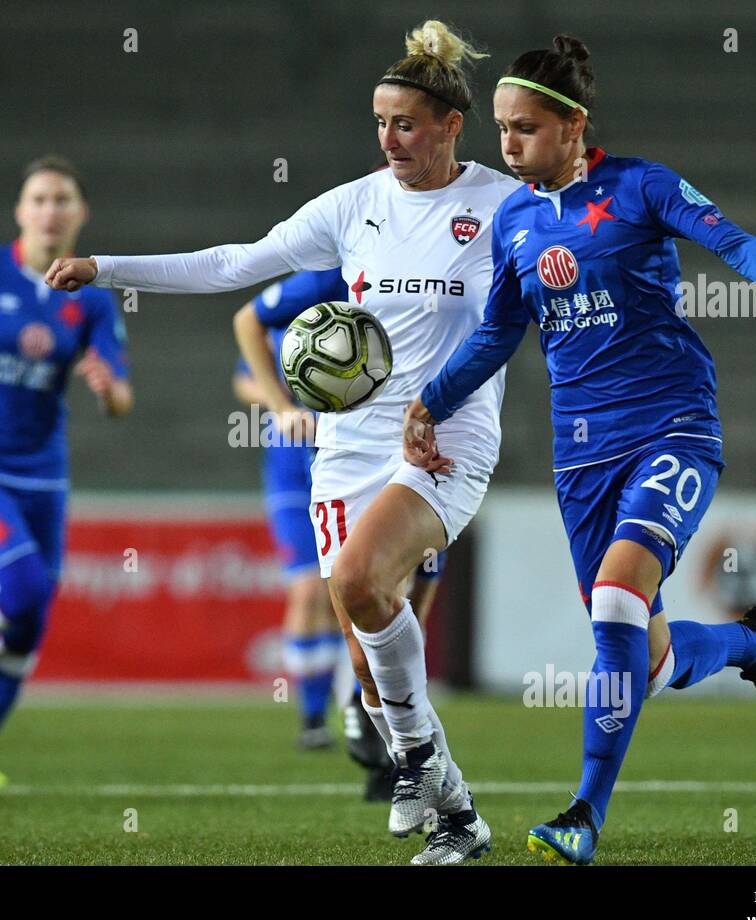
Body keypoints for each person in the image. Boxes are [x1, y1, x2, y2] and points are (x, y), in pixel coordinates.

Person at [46, 20, 521, 865]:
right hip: (346, 444)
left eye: (406, 123)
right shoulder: (355, 205)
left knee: (355, 579)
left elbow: (555, 281)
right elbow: (237, 263)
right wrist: (107, 267)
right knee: (366, 635)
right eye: (379, 122)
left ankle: (416, 764)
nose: (389, 139)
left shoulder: (500, 204)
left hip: (443, 441)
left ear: (452, 125)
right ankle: (452, 804)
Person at [403, 35, 756, 865]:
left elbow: (733, 241)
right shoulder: (515, 221)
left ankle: (582, 816)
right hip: (582, 458)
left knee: (614, 602)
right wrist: (432, 399)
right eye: (501, 129)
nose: (507, 145)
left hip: (673, 425)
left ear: (574, 126)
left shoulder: (641, 185)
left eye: (525, 128)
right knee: (645, 656)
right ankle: (753, 642)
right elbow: (500, 332)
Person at [0, 156, 133, 788]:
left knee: (31, 623)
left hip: (44, 469)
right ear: (20, 210)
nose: (50, 210)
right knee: (26, 587)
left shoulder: (89, 299)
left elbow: (121, 398)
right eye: (38, 198)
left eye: (63, 199)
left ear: (80, 213)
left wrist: (105, 388)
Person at [233, 268, 451, 801]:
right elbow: (244, 364)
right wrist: (284, 407)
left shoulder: (423, 285)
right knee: (317, 589)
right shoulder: (318, 285)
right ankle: (317, 717)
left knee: (402, 609)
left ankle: (374, 725)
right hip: (297, 465)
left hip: (397, 459)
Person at [231, 269, 348, 752]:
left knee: (346, 588)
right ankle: (311, 716)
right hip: (289, 472)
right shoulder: (277, 317)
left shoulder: (355, 302)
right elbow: (242, 382)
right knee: (305, 590)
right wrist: (283, 399)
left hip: (342, 464)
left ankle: (359, 710)